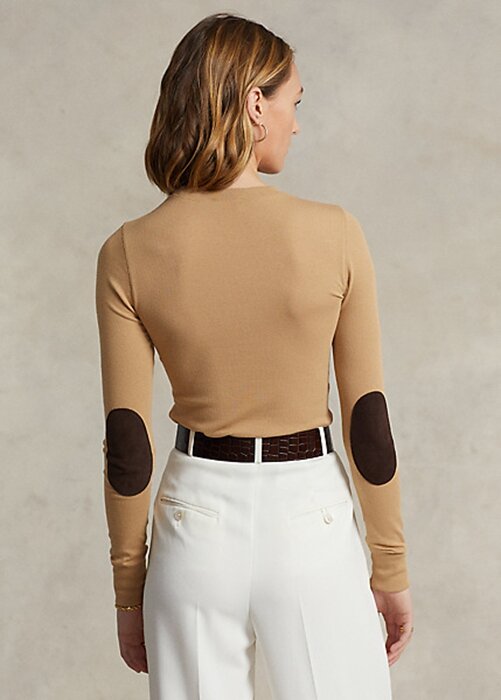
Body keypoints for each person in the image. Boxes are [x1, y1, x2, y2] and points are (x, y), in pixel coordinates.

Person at [95, 11, 414, 700]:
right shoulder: (334, 233)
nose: (295, 124)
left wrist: (128, 588)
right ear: (254, 104)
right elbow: (367, 421)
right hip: (310, 521)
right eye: (293, 101)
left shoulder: (128, 250)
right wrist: (389, 565)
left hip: (193, 525)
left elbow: (128, 444)